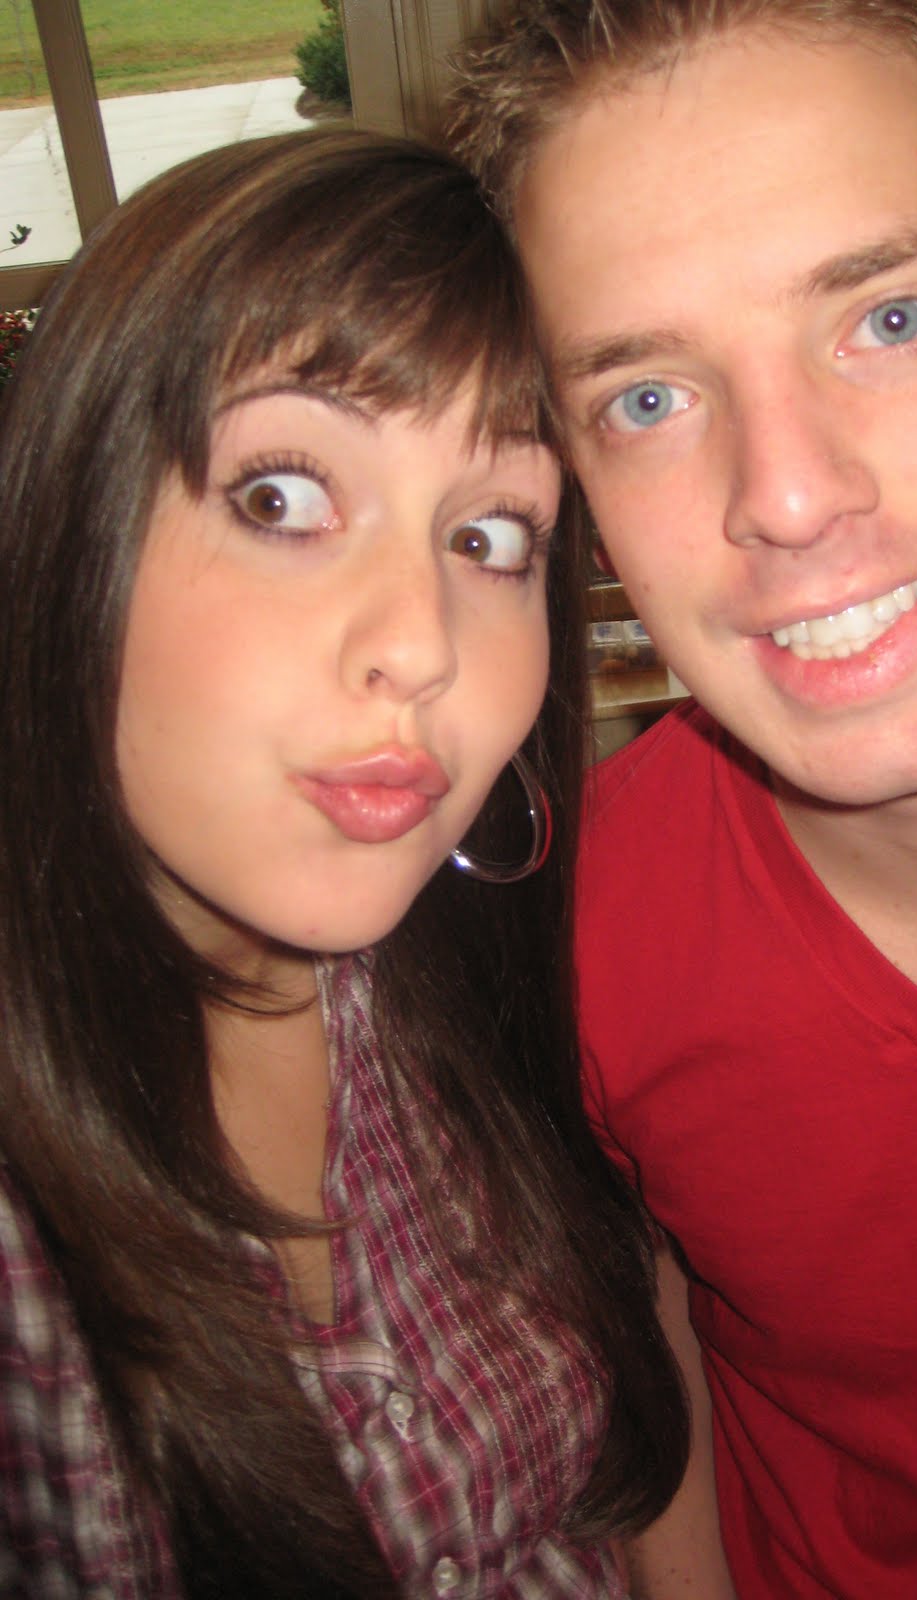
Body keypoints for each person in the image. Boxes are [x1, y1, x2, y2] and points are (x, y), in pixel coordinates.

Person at [446, 2, 917, 1594]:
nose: (787, 496)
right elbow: (639, 1322)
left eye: (892, 319)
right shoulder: (571, 930)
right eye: (649, 399)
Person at [0, 128, 687, 1598]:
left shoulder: (465, 990)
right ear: (69, 527)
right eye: (283, 500)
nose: (423, 644)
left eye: (490, 536)